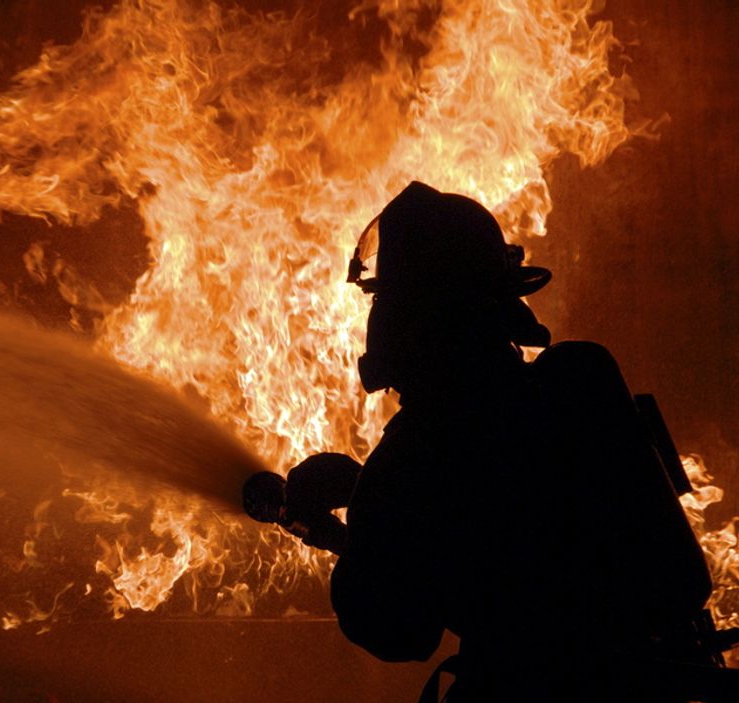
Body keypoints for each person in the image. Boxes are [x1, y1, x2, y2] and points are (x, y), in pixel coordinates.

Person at [245, 182, 732, 701]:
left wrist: (366, 516)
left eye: (386, 299)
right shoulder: (579, 382)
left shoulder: (413, 459)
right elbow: (507, 547)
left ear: (410, 319)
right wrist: (370, 505)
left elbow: (398, 630)